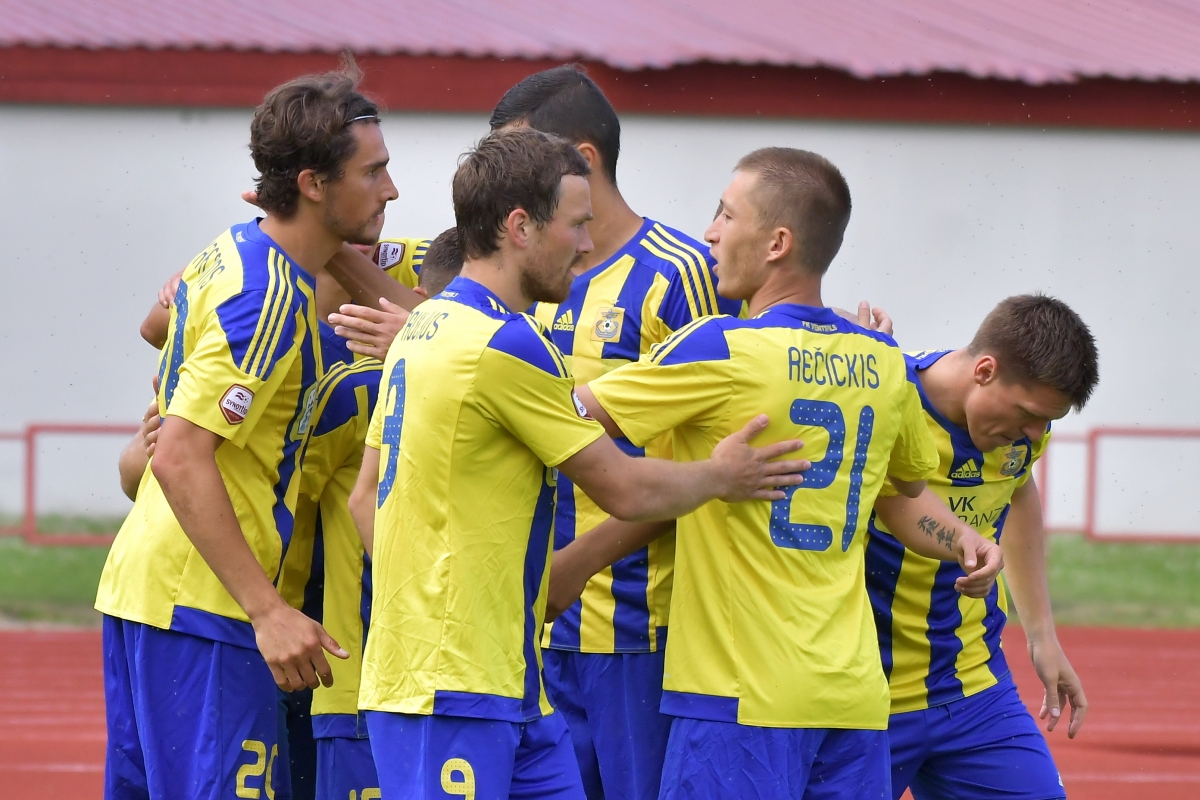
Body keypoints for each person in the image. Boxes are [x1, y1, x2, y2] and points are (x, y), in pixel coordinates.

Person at [346, 128, 810, 800]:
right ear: (520, 228)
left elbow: (366, 498)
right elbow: (624, 488)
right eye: (576, 225)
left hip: (505, 680)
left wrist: (429, 601)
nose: (589, 246)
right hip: (450, 688)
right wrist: (722, 475)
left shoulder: (425, 326)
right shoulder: (506, 343)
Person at [575, 147, 1003, 798]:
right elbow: (907, 494)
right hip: (852, 697)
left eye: (726, 215)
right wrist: (965, 539)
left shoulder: (719, 346)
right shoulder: (883, 360)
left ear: (777, 243)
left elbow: (562, 418)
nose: (710, 232)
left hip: (739, 694)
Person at [95, 63, 398, 800]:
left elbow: (156, 330)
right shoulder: (267, 293)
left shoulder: (231, 250)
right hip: (201, 605)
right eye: (373, 171)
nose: (390, 190)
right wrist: (268, 610)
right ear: (313, 184)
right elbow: (181, 458)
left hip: (151, 590)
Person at [485, 65, 744, 800]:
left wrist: (577, 564)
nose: (509, 181)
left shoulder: (681, 274)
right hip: (532, 622)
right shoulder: (526, 272)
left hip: (636, 629)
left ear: (583, 159)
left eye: (524, 158)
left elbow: (705, 465)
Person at [866, 294, 1098, 800]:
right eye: (1028, 414)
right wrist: (966, 540)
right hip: (865, 698)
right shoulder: (883, 395)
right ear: (985, 370)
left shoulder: (1024, 433)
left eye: (1046, 421)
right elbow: (896, 497)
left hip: (972, 687)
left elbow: (1017, 490)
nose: (1033, 433)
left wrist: (1041, 635)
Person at [273, 228, 465, 800]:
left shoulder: (520, 370)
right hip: (361, 674)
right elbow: (273, 499)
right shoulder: (350, 388)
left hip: (466, 682)